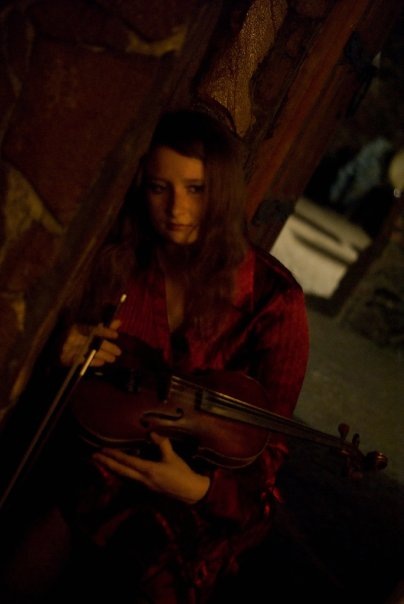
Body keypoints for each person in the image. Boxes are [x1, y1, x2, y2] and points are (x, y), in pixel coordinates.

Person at [0, 109, 309, 603]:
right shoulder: (121, 261)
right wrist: (63, 351)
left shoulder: (275, 302)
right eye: (159, 188)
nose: (176, 209)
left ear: (223, 193)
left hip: (187, 506)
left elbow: (268, 456)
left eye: (195, 189)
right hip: (94, 468)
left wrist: (197, 489)